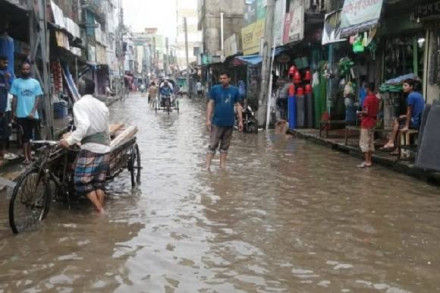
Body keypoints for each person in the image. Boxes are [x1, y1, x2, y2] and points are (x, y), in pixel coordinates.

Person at [59, 78, 111, 214]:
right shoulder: (102, 105)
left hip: (91, 147)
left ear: (81, 89)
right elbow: (106, 127)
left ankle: (99, 210)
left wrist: (69, 141)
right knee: (99, 182)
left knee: (81, 181)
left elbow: (84, 126)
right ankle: (99, 212)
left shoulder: (79, 104)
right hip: (105, 146)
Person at [206, 71, 243, 170]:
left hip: (229, 123)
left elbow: (238, 105)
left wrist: (240, 121)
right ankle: (207, 167)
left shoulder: (234, 90)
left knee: (225, 147)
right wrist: (208, 120)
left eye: (224, 78)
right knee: (213, 145)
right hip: (216, 122)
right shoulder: (215, 89)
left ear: (229, 79)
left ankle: (222, 167)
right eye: (221, 78)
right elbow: (210, 104)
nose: (222, 80)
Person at [11, 62, 43, 164]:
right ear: (21, 70)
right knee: (24, 136)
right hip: (21, 114)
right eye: (24, 69)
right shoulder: (16, 82)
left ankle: (29, 155)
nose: (25, 71)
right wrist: (13, 112)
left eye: (27, 69)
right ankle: (26, 157)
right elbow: (14, 98)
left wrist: (33, 111)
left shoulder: (35, 83)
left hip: (32, 115)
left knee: (30, 136)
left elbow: (38, 98)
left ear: (30, 70)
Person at [381, 79, 425, 150]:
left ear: (411, 87)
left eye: (405, 85)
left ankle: (391, 142)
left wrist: (406, 126)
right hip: (420, 120)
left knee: (397, 123)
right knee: (400, 120)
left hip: (415, 122)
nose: (403, 87)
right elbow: (415, 111)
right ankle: (393, 146)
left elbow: (409, 111)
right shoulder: (419, 95)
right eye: (403, 85)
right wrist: (405, 116)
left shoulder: (410, 96)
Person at [357, 82, 380, 168]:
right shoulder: (376, 99)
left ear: (367, 89)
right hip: (373, 122)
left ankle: (367, 161)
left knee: (364, 142)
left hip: (366, 122)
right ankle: (369, 160)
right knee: (370, 142)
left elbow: (366, 111)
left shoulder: (367, 99)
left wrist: (359, 112)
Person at [0, 56, 12, 160]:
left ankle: (3, 152)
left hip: (5, 109)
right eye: (4, 62)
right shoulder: (2, 74)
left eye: (7, 62)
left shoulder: (6, 76)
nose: (6, 64)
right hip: (1, 109)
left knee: (5, 131)